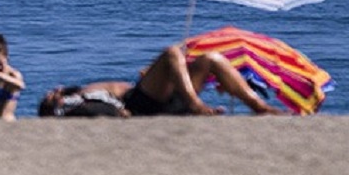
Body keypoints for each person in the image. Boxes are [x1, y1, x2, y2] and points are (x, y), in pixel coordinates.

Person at [37, 44, 283, 117]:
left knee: (211, 59)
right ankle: (195, 105)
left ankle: (258, 107)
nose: (53, 90)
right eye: (49, 94)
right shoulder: (75, 99)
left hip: (155, 97)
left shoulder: (81, 90)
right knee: (171, 53)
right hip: (141, 103)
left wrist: (156, 77)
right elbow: (101, 107)